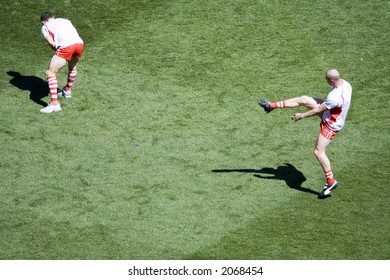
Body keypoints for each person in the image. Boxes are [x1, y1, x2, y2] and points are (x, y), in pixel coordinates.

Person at [258, 69, 352, 197]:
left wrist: (301, 115)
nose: (325, 81)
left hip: (331, 124)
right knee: (304, 99)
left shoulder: (335, 97)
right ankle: (271, 106)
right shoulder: (345, 84)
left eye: (326, 79)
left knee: (318, 152)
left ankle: (331, 181)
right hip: (330, 113)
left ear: (332, 80)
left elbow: (317, 110)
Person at [39, 12, 84, 113]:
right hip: (79, 44)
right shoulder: (65, 20)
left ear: (43, 22)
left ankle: (54, 104)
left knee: (50, 73)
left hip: (66, 47)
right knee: (72, 66)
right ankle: (67, 90)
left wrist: (57, 49)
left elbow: (51, 42)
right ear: (53, 17)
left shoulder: (44, 27)